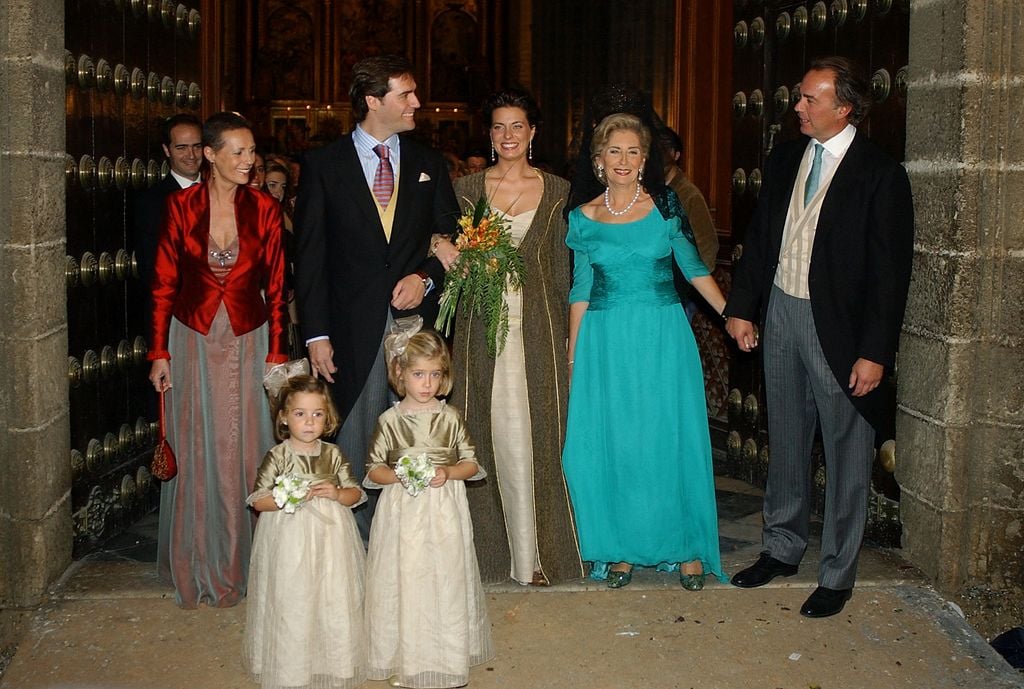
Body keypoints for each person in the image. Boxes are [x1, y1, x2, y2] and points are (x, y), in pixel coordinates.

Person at [724, 56, 914, 618]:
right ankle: (781, 548)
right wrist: (742, 308)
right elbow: (761, 238)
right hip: (782, 311)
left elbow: (889, 274)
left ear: (844, 107)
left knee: (846, 451)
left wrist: (875, 352)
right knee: (784, 436)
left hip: (842, 329)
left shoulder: (880, 174)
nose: (798, 107)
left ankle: (837, 572)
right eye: (801, 97)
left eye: (810, 99)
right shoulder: (785, 157)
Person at [293, 54, 459, 541]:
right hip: (351, 328)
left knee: (417, 436)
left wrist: (426, 278)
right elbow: (310, 258)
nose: (417, 103)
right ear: (372, 101)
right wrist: (316, 334)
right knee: (358, 438)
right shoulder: (324, 165)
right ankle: (355, 543)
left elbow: (449, 232)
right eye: (405, 95)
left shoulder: (428, 163)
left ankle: (411, 542)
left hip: (416, 330)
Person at [562, 111, 727, 590]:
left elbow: (694, 268)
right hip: (605, 341)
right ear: (598, 160)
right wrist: (575, 354)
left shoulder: (666, 207)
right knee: (619, 443)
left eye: (634, 152)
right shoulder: (583, 218)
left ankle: (687, 547)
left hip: (662, 337)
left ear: (645, 159)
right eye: (615, 151)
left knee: (667, 440)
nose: (624, 160)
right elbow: (580, 288)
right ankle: (621, 548)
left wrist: (729, 314)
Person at [434, 88, 582, 586]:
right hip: (483, 328)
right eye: (499, 127)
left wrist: (568, 338)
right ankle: (492, 555)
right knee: (488, 430)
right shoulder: (466, 189)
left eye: (517, 126)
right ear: (489, 134)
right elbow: (433, 237)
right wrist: (438, 244)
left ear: (533, 132)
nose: (508, 136)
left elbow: (564, 269)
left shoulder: (560, 190)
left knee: (541, 434)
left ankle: (540, 554)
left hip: (539, 328)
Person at [147, 111, 288, 608]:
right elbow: (164, 283)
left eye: (252, 152)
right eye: (238, 152)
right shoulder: (180, 207)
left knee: (248, 442)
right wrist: (159, 350)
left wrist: (277, 354)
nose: (249, 161)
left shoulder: (265, 209)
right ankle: (201, 559)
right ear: (210, 155)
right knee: (201, 442)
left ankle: (251, 561)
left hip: (250, 339)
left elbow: (277, 286)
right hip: (194, 338)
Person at [364, 321, 493, 688]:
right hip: (402, 513)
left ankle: (446, 653)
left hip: (443, 511)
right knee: (405, 574)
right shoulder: (389, 421)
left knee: (445, 575)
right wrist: (401, 475)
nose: (427, 383)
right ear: (400, 374)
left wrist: (448, 472)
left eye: (435, 375)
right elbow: (374, 471)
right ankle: (403, 651)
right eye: (419, 374)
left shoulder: (450, 418)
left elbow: (472, 464)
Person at [243, 374, 366, 689]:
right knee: (293, 596)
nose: (309, 422)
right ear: (284, 417)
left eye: (317, 414)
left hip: (331, 539)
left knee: (332, 593)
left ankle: (333, 660)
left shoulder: (332, 455)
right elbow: (259, 501)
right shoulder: (278, 456)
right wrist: (285, 498)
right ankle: (291, 665)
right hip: (289, 538)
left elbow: (356, 494)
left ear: (328, 418)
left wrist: (338, 494)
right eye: (300, 414)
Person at [132, 113, 203, 294]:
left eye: (197, 146)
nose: (191, 155)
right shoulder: (151, 202)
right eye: (182, 148)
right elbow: (152, 269)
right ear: (167, 150)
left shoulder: (220, 194)